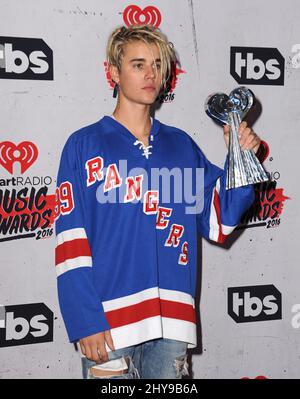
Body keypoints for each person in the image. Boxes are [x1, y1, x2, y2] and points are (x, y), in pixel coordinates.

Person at [54, 24, 268, 379]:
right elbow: (70, 241)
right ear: (113, 72)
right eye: (138, 64)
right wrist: (84, 317)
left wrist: (240, 158)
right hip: (108, 323)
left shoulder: (182, 146)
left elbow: (220, 219)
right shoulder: (83, 145)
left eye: (157, 64)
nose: (151, 73)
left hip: (172, 324)